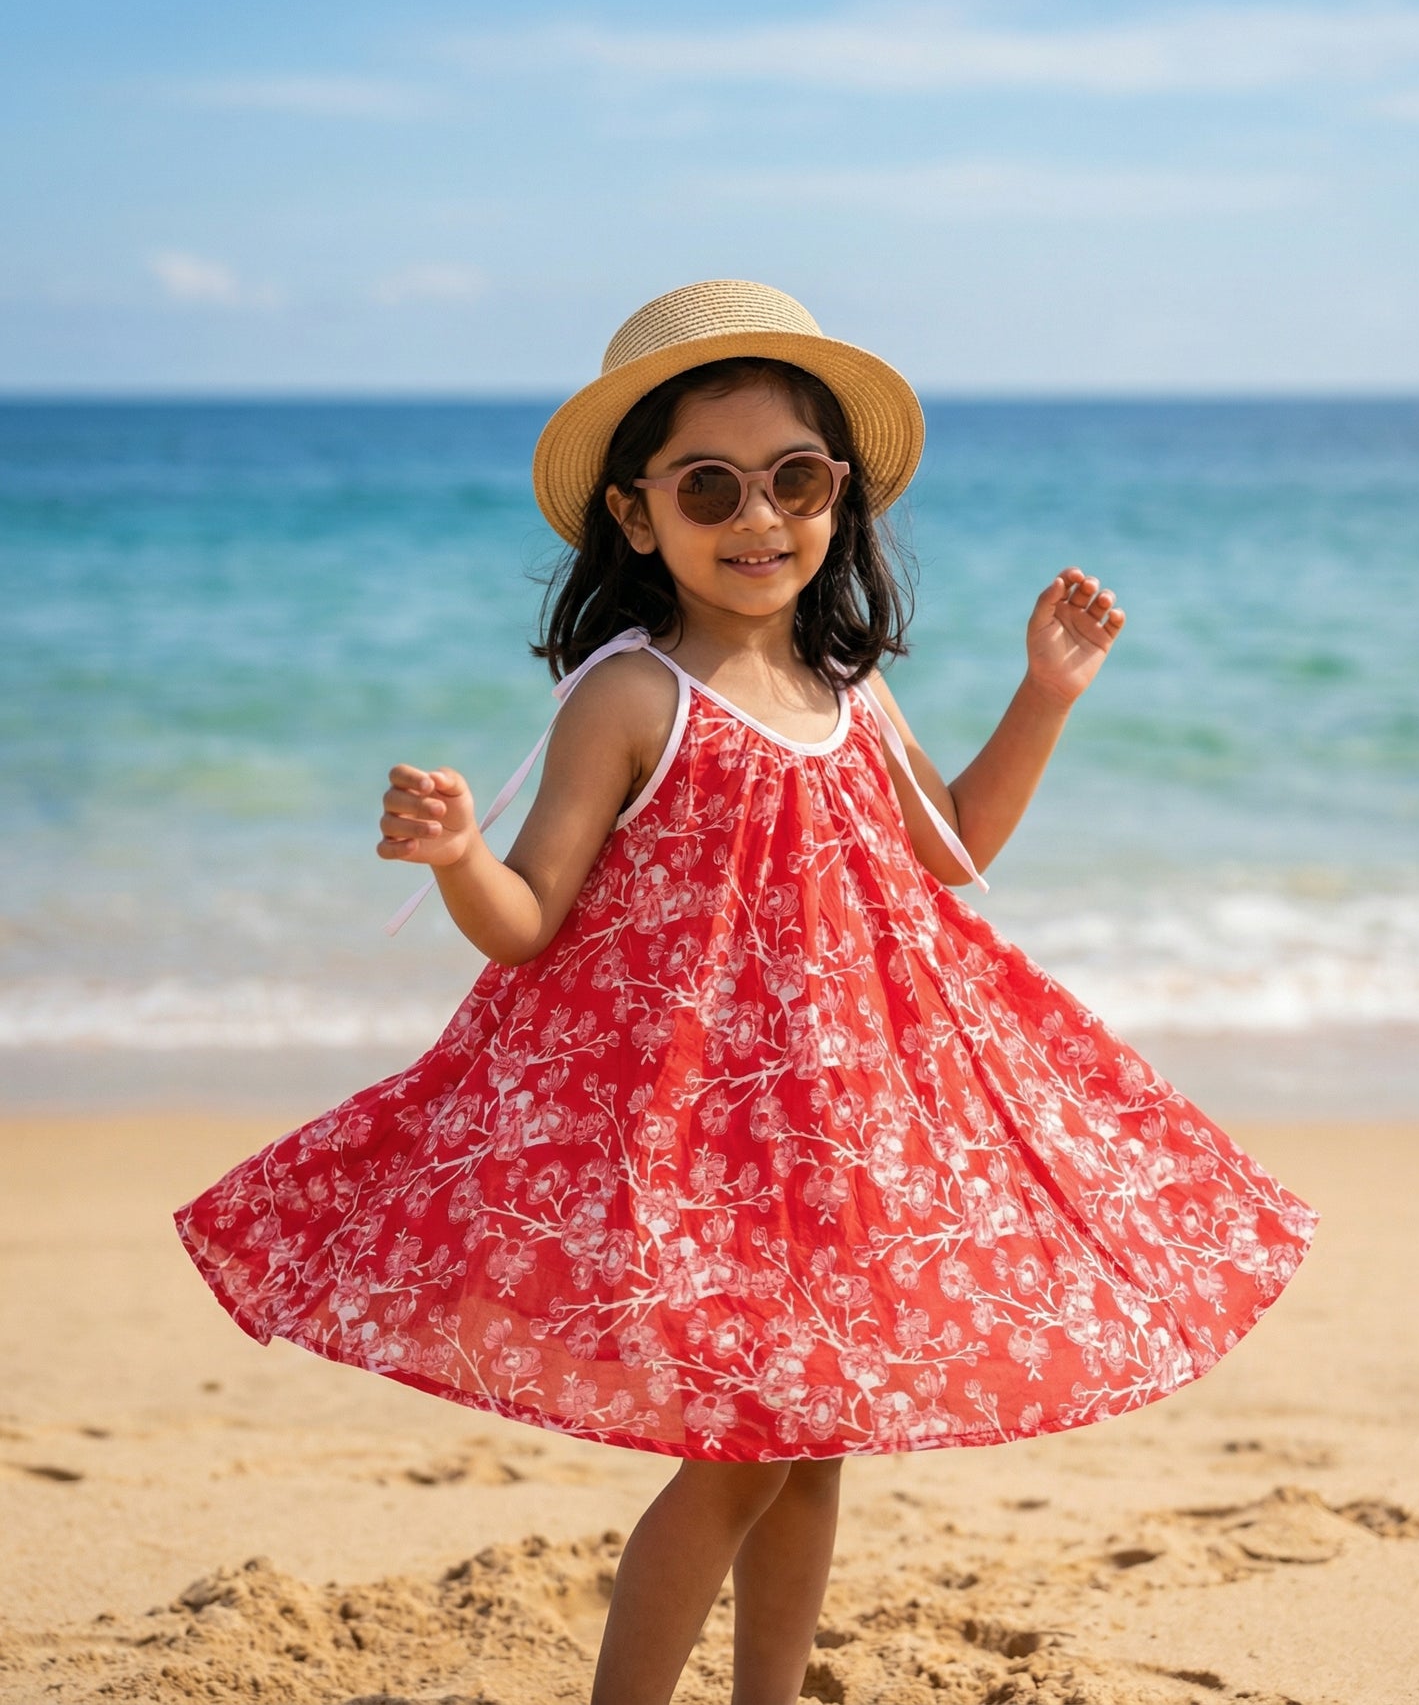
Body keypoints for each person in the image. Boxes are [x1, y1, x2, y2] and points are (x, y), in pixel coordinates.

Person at [174, 279, 1320, 1705]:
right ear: (635, 514)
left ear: (839, 497)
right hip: (699, 1148)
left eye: (794, 478)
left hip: (845, 1134)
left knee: (815, 1443)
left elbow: (952, 850)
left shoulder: (851, 689)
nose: (756, 515)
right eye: (709, 484)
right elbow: (524, 923)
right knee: (737, 1460)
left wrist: (1046, 691)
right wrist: (462, 851)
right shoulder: (630, 694)